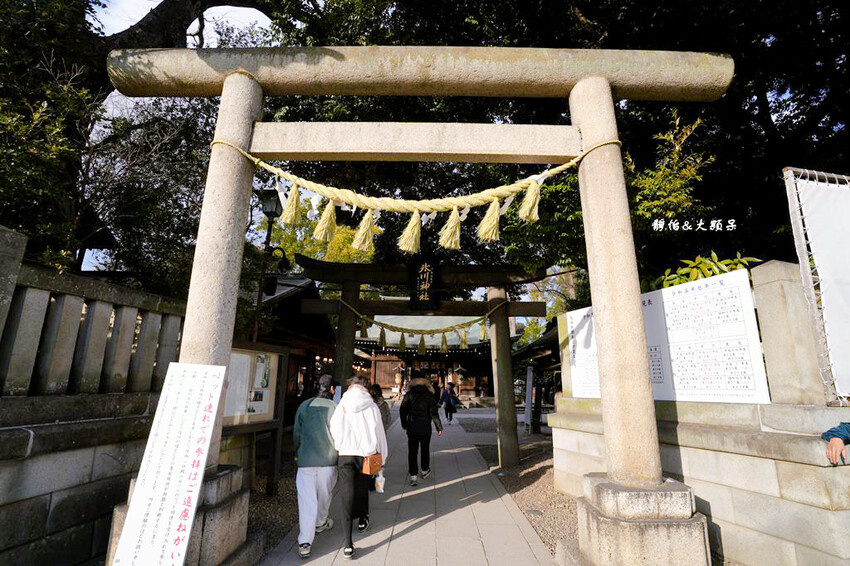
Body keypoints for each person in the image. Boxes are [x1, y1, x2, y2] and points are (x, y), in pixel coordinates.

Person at [330, 375, 389, 560]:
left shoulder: (343, 404)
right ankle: (363, 519)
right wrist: (382, 456)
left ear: (350, 387)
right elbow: (378, 432)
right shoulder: (371, 405)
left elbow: (334, 428)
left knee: (346, 494)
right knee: (363, 488)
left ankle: (347, 544)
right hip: (366, 454)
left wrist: (340, 445)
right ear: (365, 388)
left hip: (346, 453)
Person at [293, 375, 338, 558]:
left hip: (305, 459)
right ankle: (320, 522)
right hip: (328, 459)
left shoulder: (304, 406)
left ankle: (305, 541)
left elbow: (297, 433)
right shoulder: (335, 408)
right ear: (332, 389)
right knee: (325, 494)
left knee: (306, 500)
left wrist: (298, 453)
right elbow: (338, 434)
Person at [400, 375, 443, 486]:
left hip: (412, 426)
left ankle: (413, 475)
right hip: (425, 427)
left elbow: (402, 410)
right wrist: (439, 427)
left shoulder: (409, 395)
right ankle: (424, 470)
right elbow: (434, 413)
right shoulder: (429, 396)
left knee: (412, 451)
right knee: (425, 449)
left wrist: (404, 424)